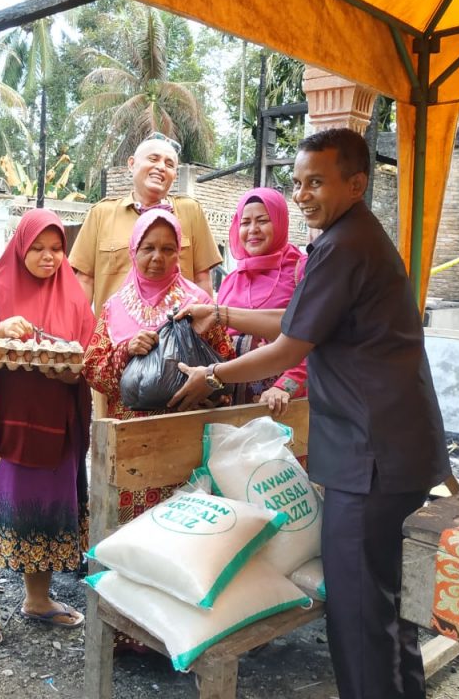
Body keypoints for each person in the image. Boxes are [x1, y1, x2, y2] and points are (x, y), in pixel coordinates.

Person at [171, 127, 451, 699]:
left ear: (356, 182)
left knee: (358, 614)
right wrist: (221, 313)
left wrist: (212, 376)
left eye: (316, 182)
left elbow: (291, 349)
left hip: (368, 459)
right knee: (386, 607)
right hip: (394, 452)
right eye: (297, 183)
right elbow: (299, 320)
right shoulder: (355, 240)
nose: (302, 195)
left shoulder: (343, 246)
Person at [0, 209, 94, 646]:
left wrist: (73, 373)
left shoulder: (75, 296)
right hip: (2, 423)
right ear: (20, 246)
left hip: (54, 425)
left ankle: (37, 599)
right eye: (38, 248)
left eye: (56, 249)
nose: (48, 257)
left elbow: (88, 354)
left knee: (40, 509)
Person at [83, 208, 233, 521]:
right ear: (133, 251)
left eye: (168, 250)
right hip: (131, 441)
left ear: (179, 253)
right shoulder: (115, 307)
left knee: (181, 530)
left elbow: (226, 364)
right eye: (148, 248)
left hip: (188, 436)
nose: (157, 257)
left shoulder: (199, 306)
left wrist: (208, 388)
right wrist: (125, 350)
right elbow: (93, 369)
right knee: (131, 531)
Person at [68, 133, 222, 313]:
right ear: (131, 164)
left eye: (169, 164)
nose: (161, 167)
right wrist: (78, 335)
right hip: (114, 336)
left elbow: (202, 279)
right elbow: (85, 281)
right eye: (153, 159)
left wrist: (205, 331)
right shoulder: (101, 214)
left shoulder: (191, 212)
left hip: (175, 336)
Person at [216, 187, 308, 413]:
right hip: (232, 407)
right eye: (245, 222)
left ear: (279, 221)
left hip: (282, 405)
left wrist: (284, 387)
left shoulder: (301, 270)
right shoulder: (231, 280)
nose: (253, 230)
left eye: (263, 220)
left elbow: (314, 339)